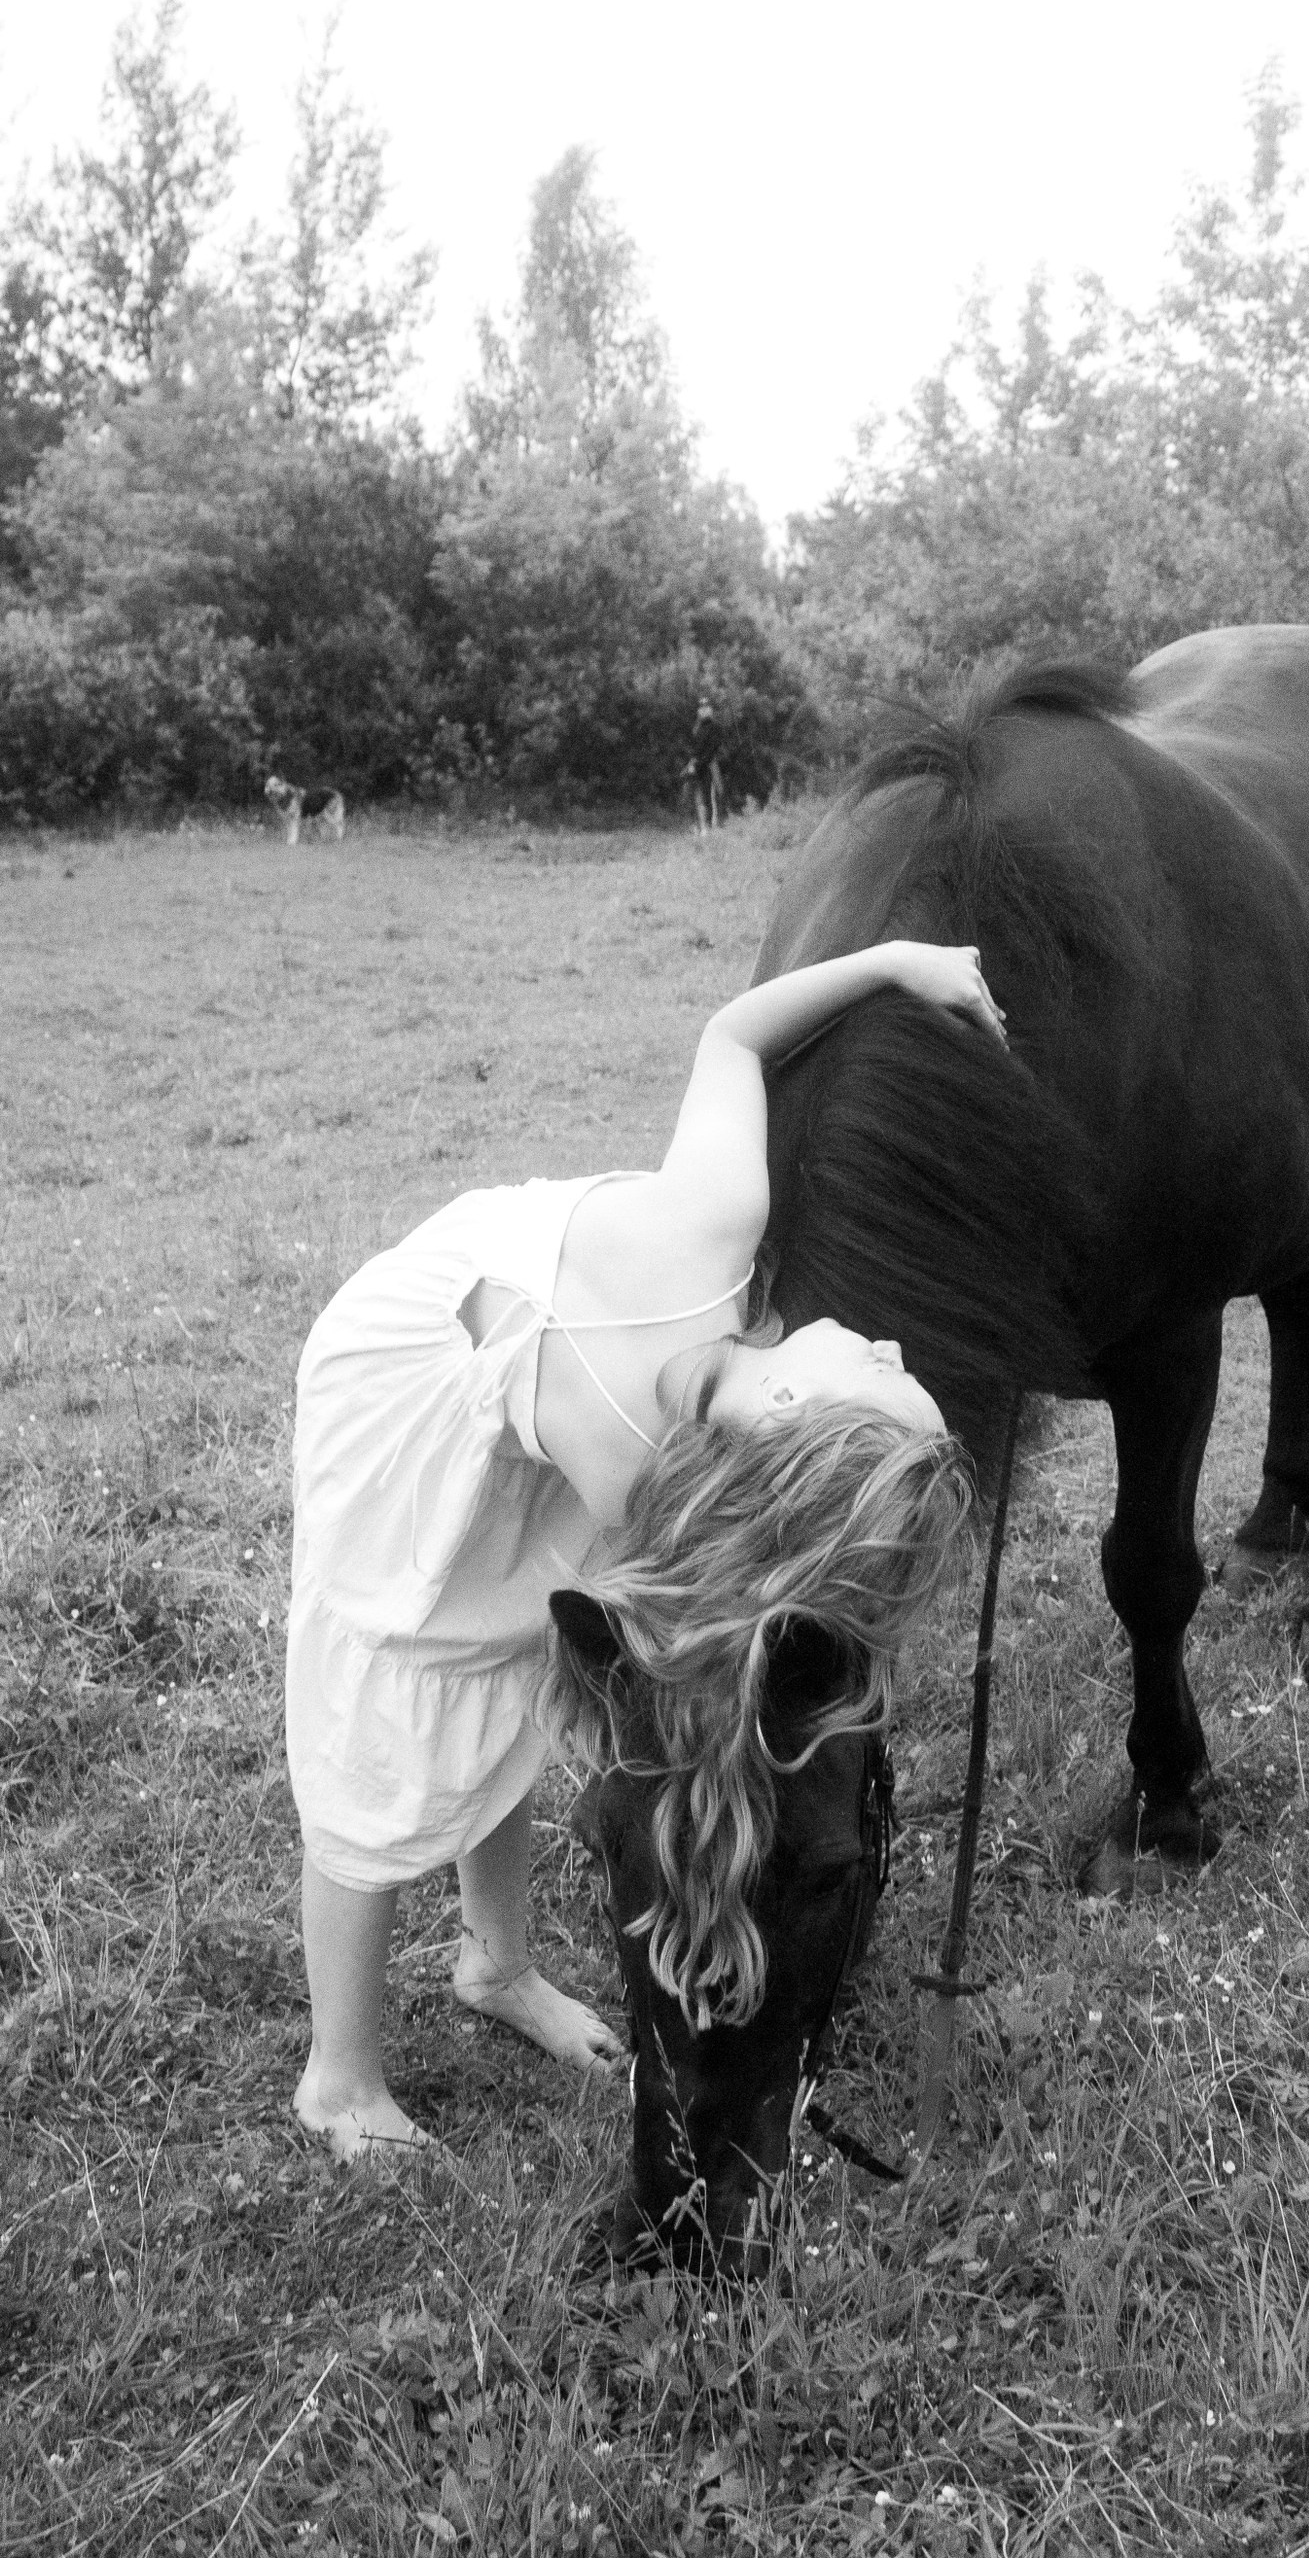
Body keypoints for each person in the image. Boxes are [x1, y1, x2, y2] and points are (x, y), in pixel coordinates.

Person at [287, 939, 1006, 2159]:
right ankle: (339, 2076)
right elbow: (733, 1035)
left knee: (520, 1648)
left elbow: (736, 1036)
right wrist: (897, 960)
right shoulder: (703, 1248)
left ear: (793, 1429)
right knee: (407, 1674)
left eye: (886, 1382)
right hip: (402, 1383)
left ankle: (496, 1964)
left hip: (538, 1377)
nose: (893, 1350)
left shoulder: (654, 1477)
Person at [687, 697, 725, 834]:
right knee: (695, 795)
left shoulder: (716, 727)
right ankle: (698, 825)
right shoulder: (696, 727)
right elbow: (693, 747)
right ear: (699, 710)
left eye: (707, 707)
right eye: (702, 707)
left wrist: (701, 762)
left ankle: (713, 824)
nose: (704, 709)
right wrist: (693, 762)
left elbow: (713, 748)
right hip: (697, 764)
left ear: (711, 709)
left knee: (714, 793)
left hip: (710, 763)